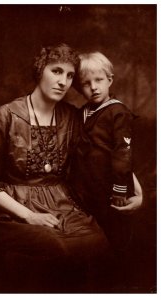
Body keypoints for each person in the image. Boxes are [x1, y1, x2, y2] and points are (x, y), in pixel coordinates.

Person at [0, 44, 113, 293]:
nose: (63, 81)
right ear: (40, 71)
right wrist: (29, 216)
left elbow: (105, 152)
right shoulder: (5, 116)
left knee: (98, 243)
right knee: (57, 246)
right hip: (14, 207)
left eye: (70, 75)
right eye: (57, 71)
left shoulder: (71, 117)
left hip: (61, 203)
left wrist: (137, 191)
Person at [69, 51, 143, 251]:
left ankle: (118, 272)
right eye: (86, 83)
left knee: (115, 233)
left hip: (110, 188)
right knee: (91, 237)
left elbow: (123, 151)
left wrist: (120, 188)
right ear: (78, 88)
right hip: (86, 187)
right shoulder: (82, 112)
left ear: (109, 80)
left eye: (99, 80)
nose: (93, 87)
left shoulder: (118, 112)